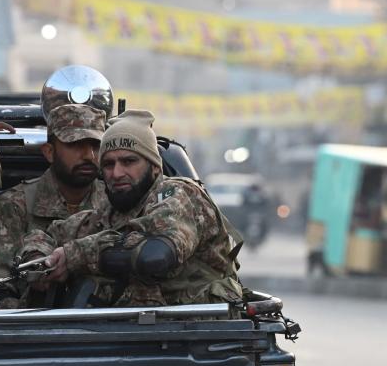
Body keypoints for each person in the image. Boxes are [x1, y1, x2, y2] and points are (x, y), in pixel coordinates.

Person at [18, 110, 243, 308]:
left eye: (128, 162)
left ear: (154, 167)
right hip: (132, 342)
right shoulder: (107, 214)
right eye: (108, 164)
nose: (116, 173)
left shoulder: (179, 196)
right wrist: (41, 262)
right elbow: (48, 233)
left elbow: (155, 255)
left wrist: (73, 256)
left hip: (200, 342)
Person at [0, 104, 108, 308]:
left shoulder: (112, 203)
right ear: (49, 152)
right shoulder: (13, 206)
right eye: (76, 145)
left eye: (95, 145)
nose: (89, 155)